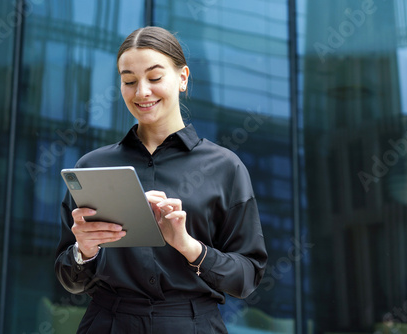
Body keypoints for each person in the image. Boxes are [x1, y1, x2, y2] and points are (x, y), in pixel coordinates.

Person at [55, 26, 268, 334]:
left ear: (182, 78)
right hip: (108, 323)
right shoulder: (92, 167)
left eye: (154, 78)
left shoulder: (225, 168)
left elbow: (246, 277)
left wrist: (189, 247)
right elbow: (68, 277)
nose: (142, 91)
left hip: (192, 325)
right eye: (129, 80)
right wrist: (83, 251)